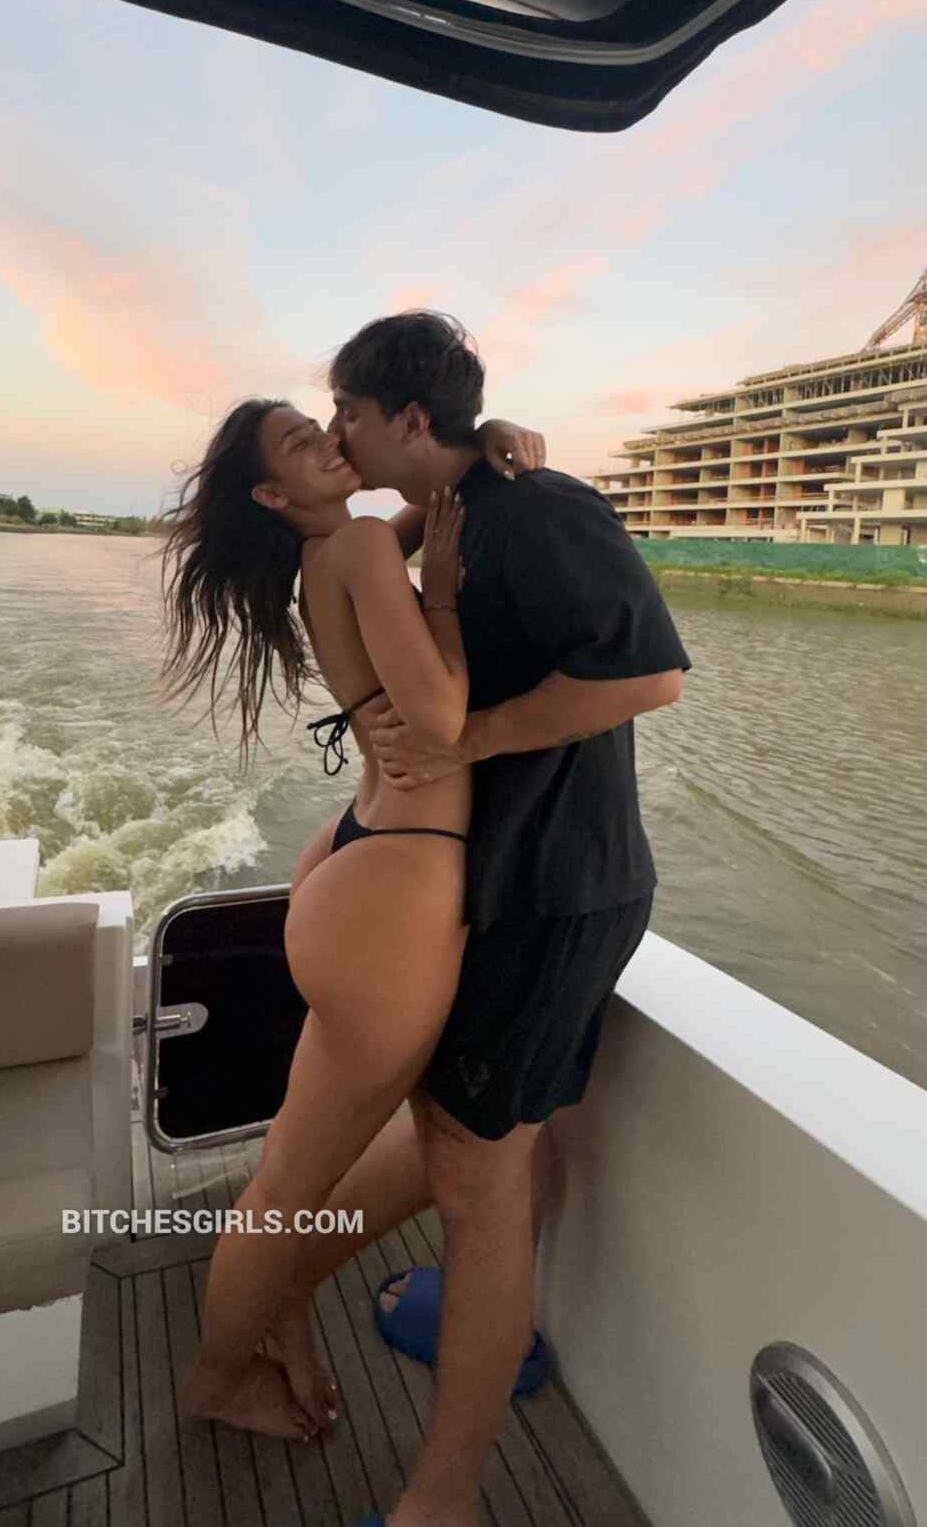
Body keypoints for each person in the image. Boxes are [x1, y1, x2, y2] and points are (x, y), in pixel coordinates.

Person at [249, 310, 692, 1527]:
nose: (334, 431)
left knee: (474, 1179)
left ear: (402, 417)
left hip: (552, 890)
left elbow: (650, 675)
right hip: (485, 878)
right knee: (458, 1137)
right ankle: (331, 1291)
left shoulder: (538, 510)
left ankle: (438, 1501)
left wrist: (473, 735)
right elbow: (372, 552)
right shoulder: (450, 510)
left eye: (345, 411)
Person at [157, 397, 543, 1441]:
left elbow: (403, 531)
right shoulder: (361, 546)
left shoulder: (334, 551)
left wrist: (474, 452)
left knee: (320, 1159)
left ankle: (282, 1299)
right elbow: (443, 719)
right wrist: (444, 598)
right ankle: (217, 1380)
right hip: (394, 890)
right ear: (272, 493)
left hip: (362, 858)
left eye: (321, 426)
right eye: (301, 442)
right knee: (287, 1185)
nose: (329, 441)